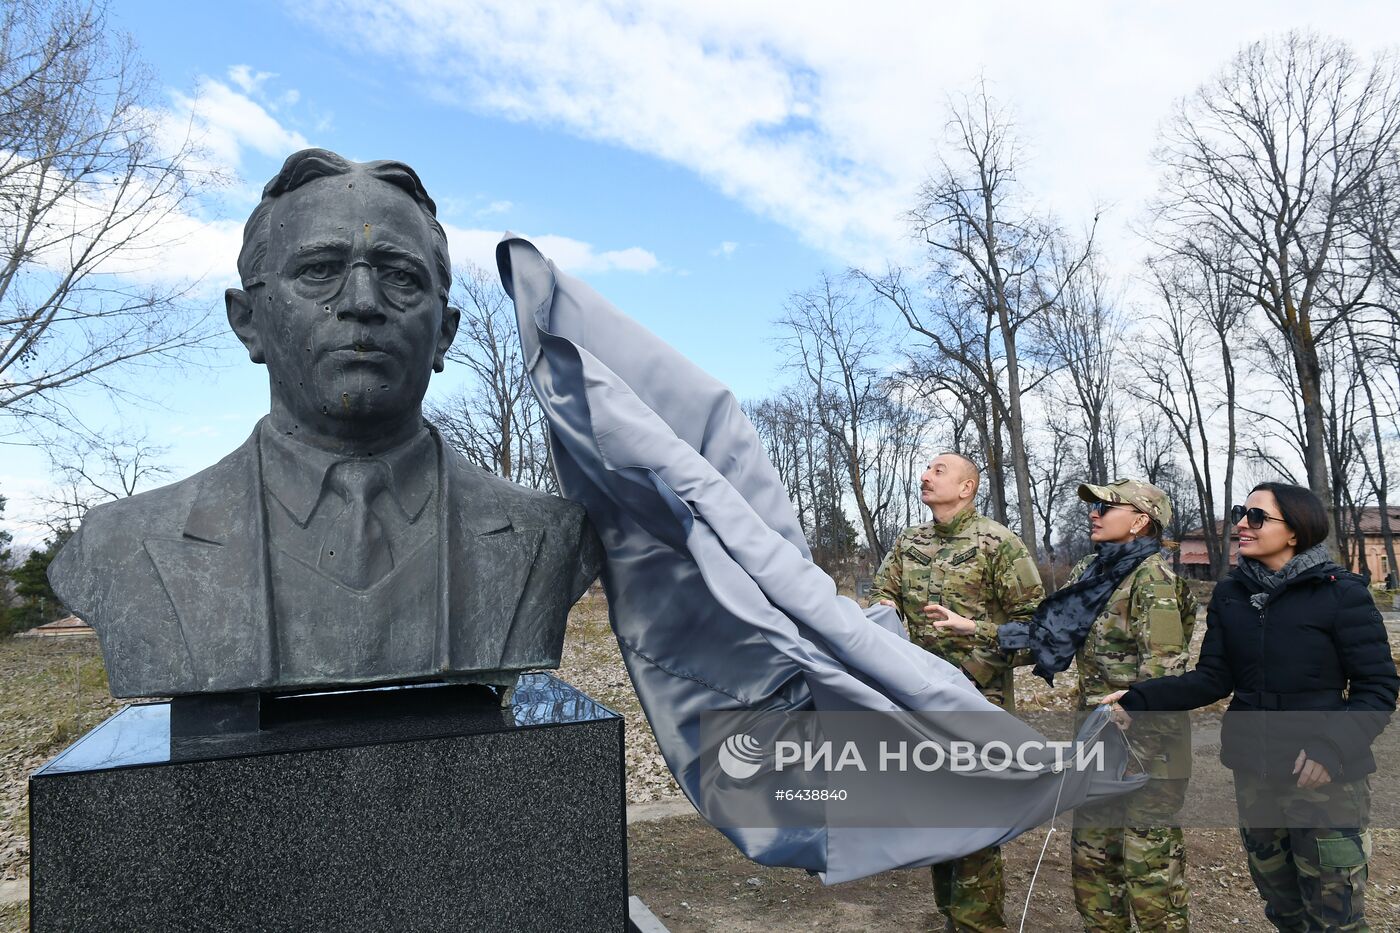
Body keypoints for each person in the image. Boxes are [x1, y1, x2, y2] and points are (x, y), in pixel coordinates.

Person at [49, 149, 602, 699]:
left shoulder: (550, 536)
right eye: (318, 271)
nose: (363, 302)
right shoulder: (122, 545)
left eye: (401, 277)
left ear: (444, 332)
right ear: (248, 322)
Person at [1104, 482, 1398, 932]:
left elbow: (1377, 687)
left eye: (1257, 517)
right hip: (1256, 776)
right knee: (1284, 909)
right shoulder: (1231, 594)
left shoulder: (1341, 593)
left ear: (1295, 531)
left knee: (1335, 917)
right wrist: (1141, 698)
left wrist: (1331, 749)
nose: (1241, 524)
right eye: (1243, 512)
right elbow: (1214, 679)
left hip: (1324, 778)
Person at [868, 452, 1044, 932]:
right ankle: (952, 918)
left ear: (967, 488)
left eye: (938, 470)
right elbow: (880, 604)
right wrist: (881, 612)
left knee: (974, 825)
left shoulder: (999, 544)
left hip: (977, 710)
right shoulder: (908, 543)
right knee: (938, 818)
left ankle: (979, 926)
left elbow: (1038, 634)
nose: (924, 475)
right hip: (919, 710)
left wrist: (976, 629)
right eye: (925, 469)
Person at [1025, 479, 1196, 932]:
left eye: (1107, 506)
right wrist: (975, 630)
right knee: (1094, 867)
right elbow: (1052, 633)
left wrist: (1134, 744)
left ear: (1140, 521)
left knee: (1149, 874)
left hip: (1146, 751)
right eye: (1095, 506)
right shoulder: (1093, 572)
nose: (1094, 513)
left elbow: (1163, 676)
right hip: (1098, 743)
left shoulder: (1153, 580)